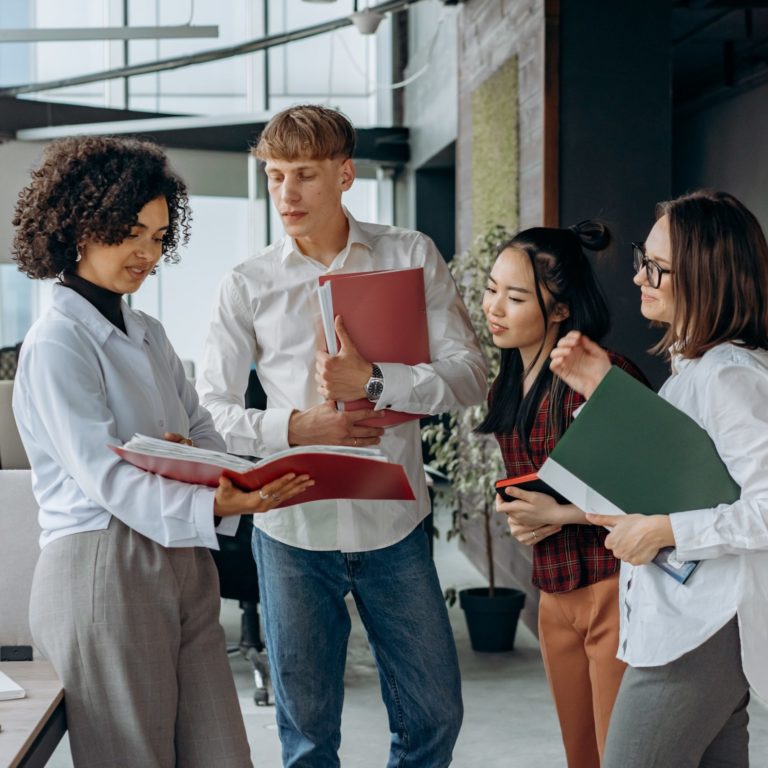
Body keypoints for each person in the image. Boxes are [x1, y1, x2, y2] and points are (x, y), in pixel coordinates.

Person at [196, 104, 487, 767]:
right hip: (291, 531)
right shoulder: (246, 285)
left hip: (395, 522)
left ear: (346, 174)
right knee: (306, 737)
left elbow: (470, 376)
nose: (286, 194)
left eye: (303, 175)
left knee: (434, 714)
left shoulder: (409, 255)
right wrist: (301, 425)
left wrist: (376, 381)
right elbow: (211, 411)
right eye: (274, 177)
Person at [11, 136, 314, 768]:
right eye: (131, 233)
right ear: (79, 226)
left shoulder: (149, 332)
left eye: (158, 235)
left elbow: (203, 430)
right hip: (102, 565)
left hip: (183, 559)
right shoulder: (58, 340)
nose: (147, 253)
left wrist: (228, 479)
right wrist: (210, 494)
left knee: (222, 755)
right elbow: (106, 475)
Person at [550, 190, 768, 768]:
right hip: (691, 623)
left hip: (701, 631)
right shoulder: (693, 370)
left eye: (657, 268)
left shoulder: (729, 376)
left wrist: (664, 530)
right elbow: (687, 477)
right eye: (641, 260)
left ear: (705, 276)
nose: (640, 278)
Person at [475, 222, 647, 768]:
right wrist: (524, 517)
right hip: (553, 594)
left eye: (516, 296)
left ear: (560, 311)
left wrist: (560, 513)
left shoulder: (603, 375)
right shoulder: (505, 383)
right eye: (491, 288)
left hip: (615, 589)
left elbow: (655, 491)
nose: (494, 307)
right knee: (581, 757)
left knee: (619, 755)